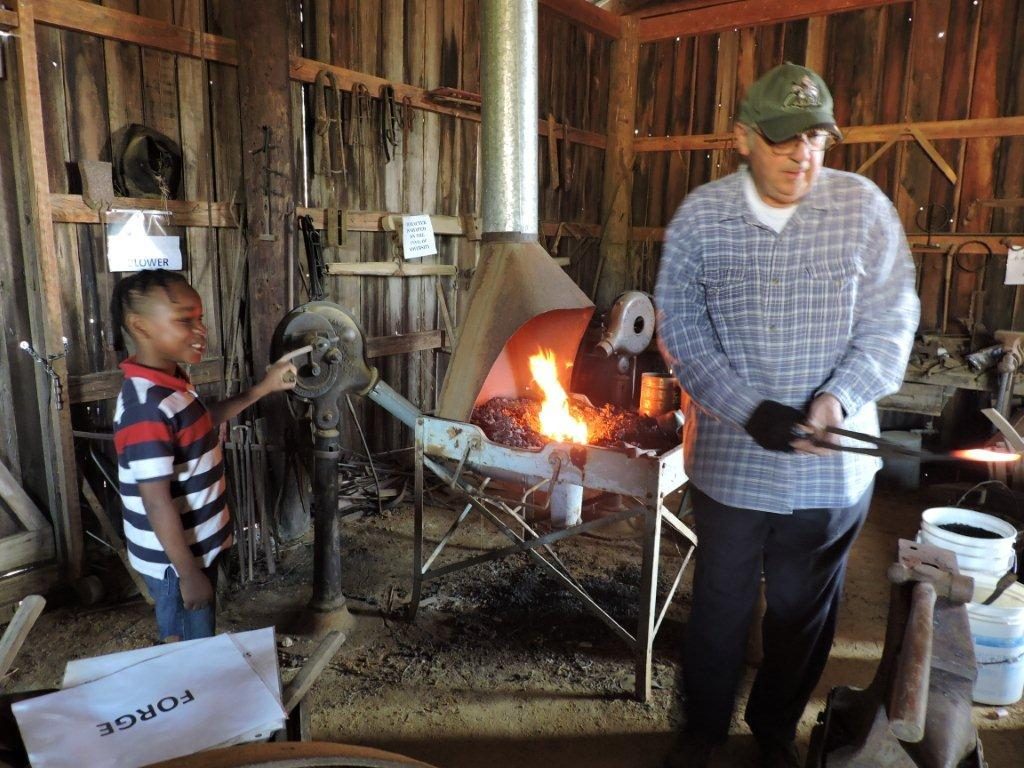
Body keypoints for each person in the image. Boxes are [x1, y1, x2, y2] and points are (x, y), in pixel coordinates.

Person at [654, 63, 919, 768]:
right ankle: (704, 732)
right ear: (742, 137)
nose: (804, 155)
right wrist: (746, 408)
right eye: (783, 140)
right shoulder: (701, 217)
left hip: (828, 472)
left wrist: (838, 398)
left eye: (818, 139)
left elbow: (892, 325)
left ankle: (773, 730)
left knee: (804, 615)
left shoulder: (864, 210)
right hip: (733, 464)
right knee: (720, 606)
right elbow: (680, 329)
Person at [111, 269, 297, 642]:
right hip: (176, 564)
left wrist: (264, 388)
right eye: (184, 320)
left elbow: (204, 419)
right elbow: (156, 501)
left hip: (199, 551)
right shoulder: (145, 407)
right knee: (189, 650)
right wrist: (189, 574)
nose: (200, 330)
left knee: (203, 636)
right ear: (141, 326)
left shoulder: (173, 384)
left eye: (200, 318)